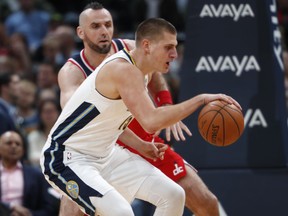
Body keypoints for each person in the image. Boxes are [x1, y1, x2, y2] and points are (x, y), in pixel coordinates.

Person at [41, 17, 242, 216]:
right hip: (66, 157)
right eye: (168, 47)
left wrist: (140, 145)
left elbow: (110, 121)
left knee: (173, 195)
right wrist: (200, 100)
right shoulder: (123, 69)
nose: (174, 54)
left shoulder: (142, 69)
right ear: (146, 46)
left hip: (106, 153)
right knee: (121, 212)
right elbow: (151, 121)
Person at [0, 130, 60, 216]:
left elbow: (49, 208)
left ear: (23, 150)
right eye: (9, 143)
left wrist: (30, 214)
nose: (14, 146)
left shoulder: (36, 175)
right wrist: (10, 206)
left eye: (18, 144)